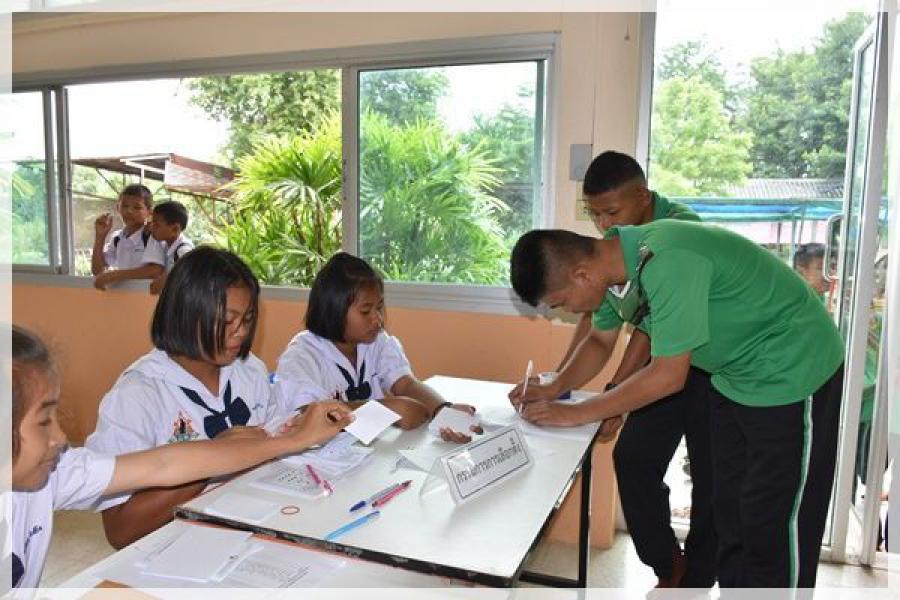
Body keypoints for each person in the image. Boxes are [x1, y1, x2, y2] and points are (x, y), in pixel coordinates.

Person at [509, 221, 844, 588]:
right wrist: (554, 388)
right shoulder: (612, 272)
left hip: (793, 369)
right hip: (734, 376)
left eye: (561, 303)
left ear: (581, 275)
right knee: (730, 513)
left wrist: (576, 413)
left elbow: (668, 375)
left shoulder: (667, 259)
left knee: (773, 523)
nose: (568, 310)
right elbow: (599, 342)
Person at [9, 325, 351, 589]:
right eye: (43, 421)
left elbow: (166, 463)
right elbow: (122, 527)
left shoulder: (57, 472)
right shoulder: (138, 390)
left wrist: (292, 440)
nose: (61, 438)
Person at [512, 151, 714, 588]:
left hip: (703, 366)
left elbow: (649, 332)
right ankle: (669, 565)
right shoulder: (612, 254)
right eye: (594, 214)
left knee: (709, 476)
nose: (603, 224)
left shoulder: (677, 236)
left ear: (643, 196)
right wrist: (555, 385)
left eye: (611, 212)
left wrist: (609, 399)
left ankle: (696, 577)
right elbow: (600, 335)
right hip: (659, 367)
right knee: (634, 457)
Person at [86, 247, 281, 549]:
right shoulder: (138, 394)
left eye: (247, 319)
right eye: (227, 321)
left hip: (249, 528)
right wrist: (212, 459)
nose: (241, 333)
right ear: (186, 315)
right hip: (174, 549)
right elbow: (120, 530)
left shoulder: (249, 370)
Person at [274, 252, 481, 443]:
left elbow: (406, 385)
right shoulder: (301, 356)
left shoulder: (377, 341)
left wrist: (443, 410)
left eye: (379, 307)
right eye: (366, 311)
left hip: (368, 452)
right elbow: (306, 415)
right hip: (317, 459)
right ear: (334, 310)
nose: (377, 319)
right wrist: (385, 409)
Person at [91, 184, 165, 290]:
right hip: (125, 297)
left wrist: (115, 275)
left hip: (147, 297)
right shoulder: (117, 238)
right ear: (118, 207)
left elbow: (155, 270)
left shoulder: (152, 235)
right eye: (124, 206)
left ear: (150, 212)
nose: (129, 211)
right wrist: (100, 237)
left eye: (137, 207)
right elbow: (97, 270)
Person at [145, 200, 195, 295]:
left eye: (156, 225)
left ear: (175, 229)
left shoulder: (183, 250)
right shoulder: (165, 245)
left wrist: (162, 282)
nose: (151, 227)